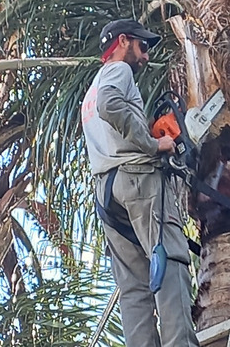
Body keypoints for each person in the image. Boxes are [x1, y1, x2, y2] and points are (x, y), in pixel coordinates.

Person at [81, 18, 200, 347]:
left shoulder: (90, 92)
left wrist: (145, 129)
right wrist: (153, 145)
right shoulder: (118, 72)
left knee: (133, 287)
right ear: (123, 41)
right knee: (172, 258)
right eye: (142, 47)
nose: (146, 56)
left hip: (107, 193)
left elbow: (109, 118)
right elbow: (112, 105)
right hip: (137, 181)